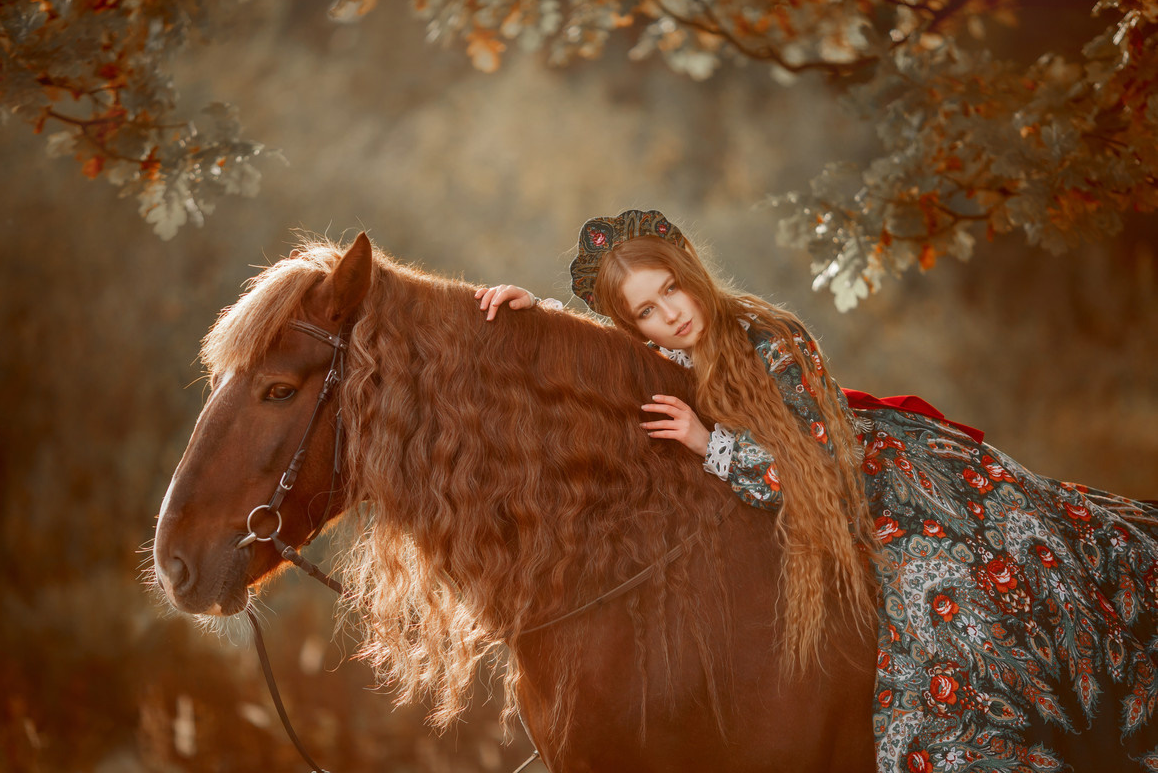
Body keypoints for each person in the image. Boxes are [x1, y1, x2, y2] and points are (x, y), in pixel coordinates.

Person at [476, 209, 1158, 770]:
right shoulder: (658, 357)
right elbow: (595, 359)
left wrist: (709, 445)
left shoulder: (772, 335)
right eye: (647, 312)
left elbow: (820, 471)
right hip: (786, 493)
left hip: (876, 487)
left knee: (949, 598)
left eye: (671, 290)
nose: (671, 316)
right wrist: (531, 313)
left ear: (689, 272)